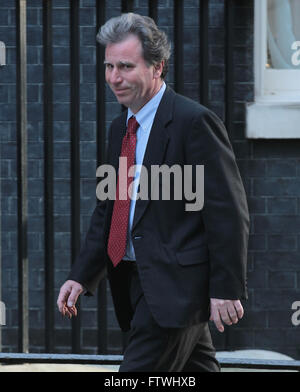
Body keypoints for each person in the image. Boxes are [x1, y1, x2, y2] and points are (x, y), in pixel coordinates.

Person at [57, 13, 249, 372]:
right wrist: (81, 275)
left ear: (157, 67)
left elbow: (228, 211)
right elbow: (110, 208)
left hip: (176, 287)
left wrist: (226, 286)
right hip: (133, 280)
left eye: (126, 67)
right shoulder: (120, 127)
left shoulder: (194, 123)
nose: (114, 78)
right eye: (109, 66)